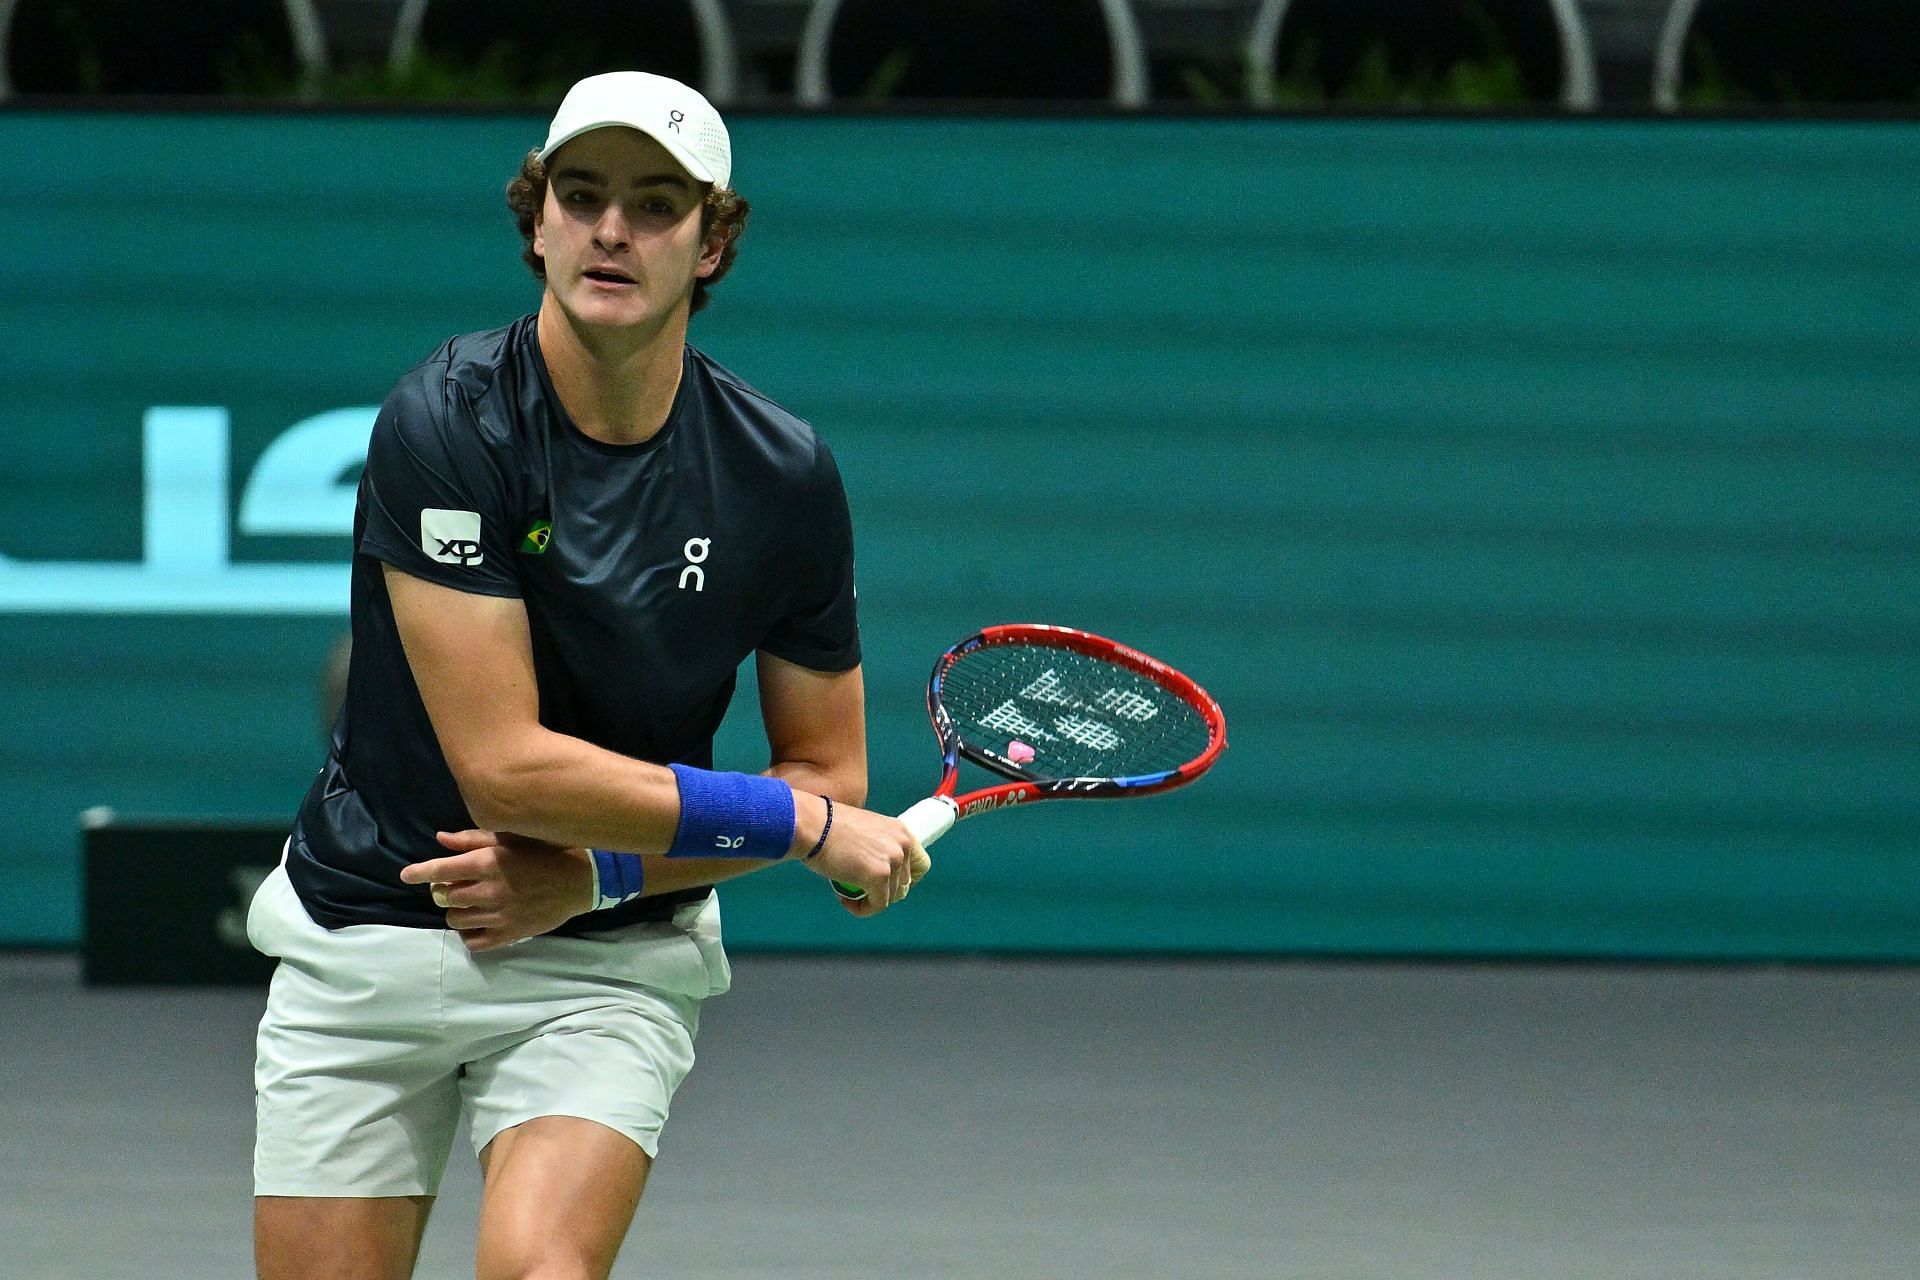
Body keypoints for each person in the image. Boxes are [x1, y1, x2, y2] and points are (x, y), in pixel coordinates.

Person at [246, 70, 926, 1280]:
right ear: (540, 216)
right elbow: (506, 769)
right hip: (372, 925)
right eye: (584, 193)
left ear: (712, 239)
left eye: (657, 203)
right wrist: (799, 824)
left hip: (605, 955)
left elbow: (832, 764)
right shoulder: (446, 420)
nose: (614, 229)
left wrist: (604, 876)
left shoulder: (782, 475)